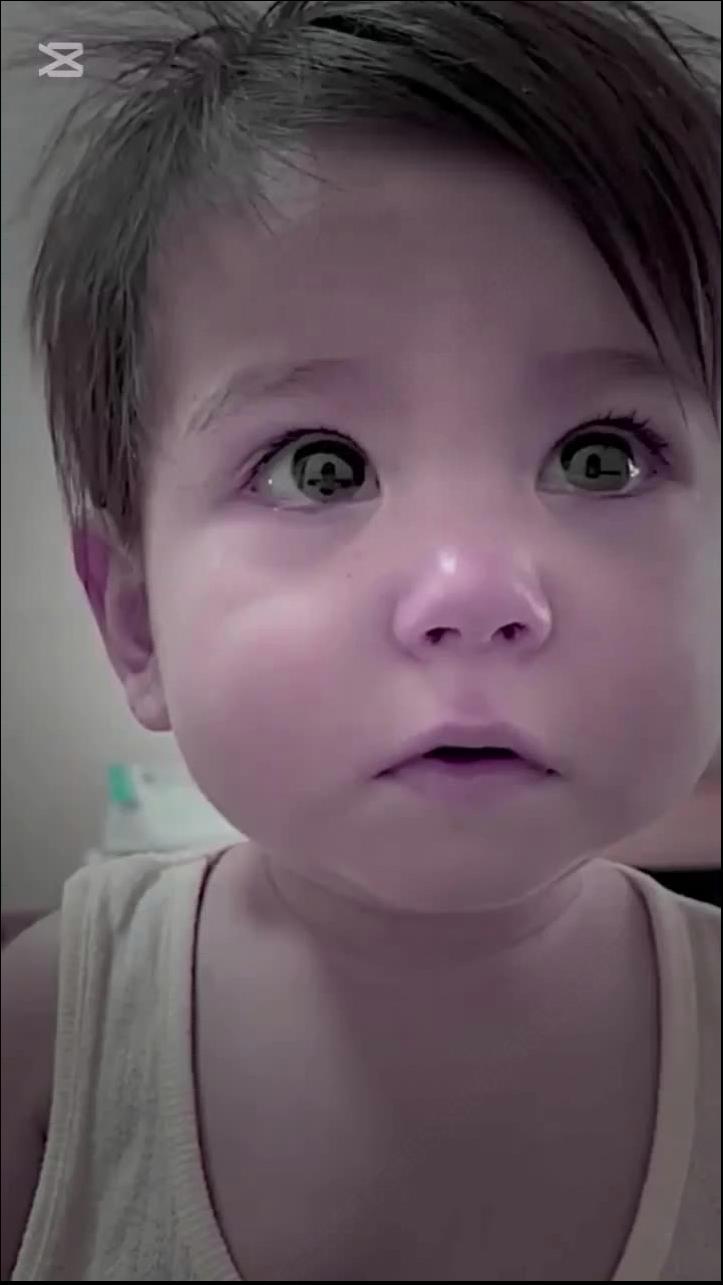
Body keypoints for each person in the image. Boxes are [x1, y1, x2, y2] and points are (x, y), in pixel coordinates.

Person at [1, 1, 720, 1279]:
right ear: (137, 617)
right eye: (321, 467)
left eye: (600, 456)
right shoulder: (49, 1032)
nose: (473, 587)